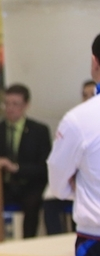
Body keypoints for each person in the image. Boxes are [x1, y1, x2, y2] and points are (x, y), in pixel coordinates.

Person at [47, 33, 100, 256]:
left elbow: (57, 183)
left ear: (95, 64)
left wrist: (78, 190)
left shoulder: (80, 120)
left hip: (95, 243)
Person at [0, 84, 51, 239]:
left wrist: (15, 168)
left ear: (26, 105)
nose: (10, 108)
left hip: (29, 184)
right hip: (4, 184)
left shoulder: (39, 131)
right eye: (7, 104)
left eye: (15, 104)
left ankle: (29, 242)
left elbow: (44, 168)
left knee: (32, 202)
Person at [41, 79, 97, 235]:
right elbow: (60, 164)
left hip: (90, 191)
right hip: (74, 183)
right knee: (50, 200)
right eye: (85, 95)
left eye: (92, 94)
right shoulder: (74, 120)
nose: (88, 98)